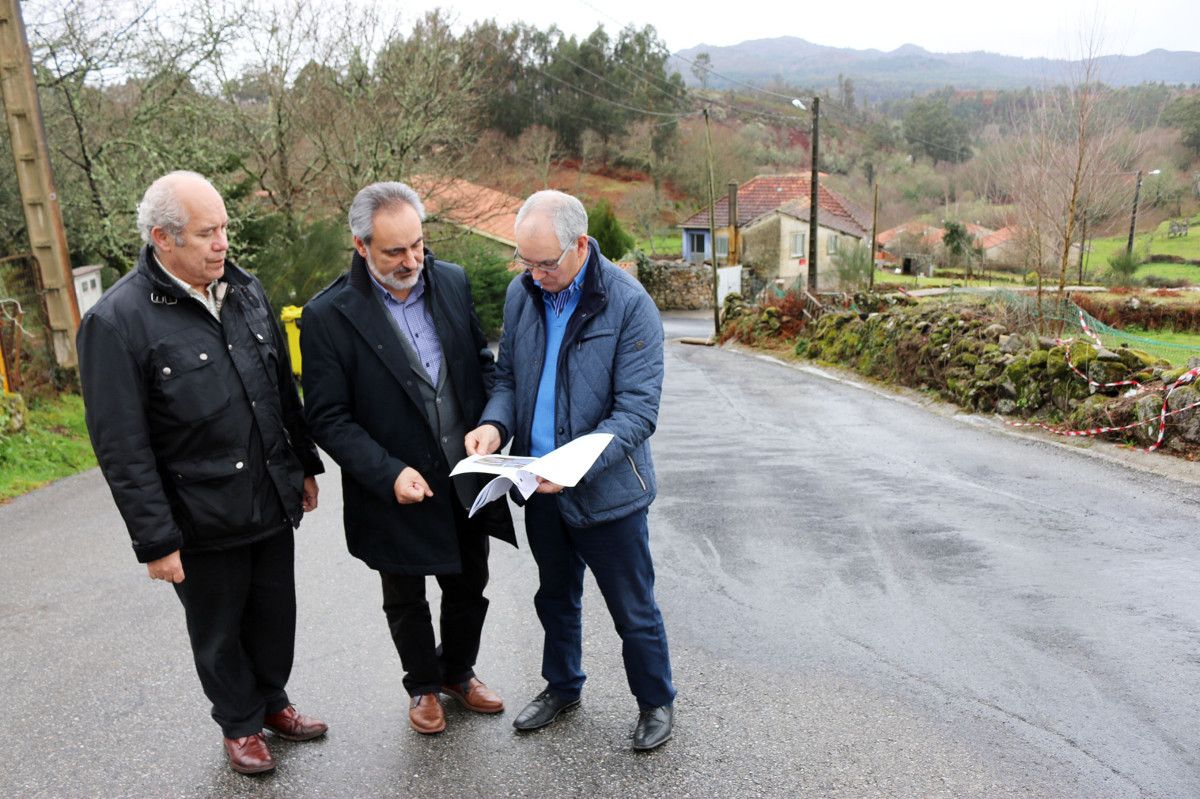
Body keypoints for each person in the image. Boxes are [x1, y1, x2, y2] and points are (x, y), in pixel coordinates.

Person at [77, 171, 327, 776]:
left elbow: (279, 391)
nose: (222, 243)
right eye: (207, 233)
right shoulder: (116, 322)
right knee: (218, 628)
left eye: (224, 229)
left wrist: (303, 465)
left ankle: (272, 703)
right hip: (200, 515)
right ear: (162, 238)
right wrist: (156, 540)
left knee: (274, 615)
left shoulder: (244, 290)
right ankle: (239, 724)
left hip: (269, 493)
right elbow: (121, 445)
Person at [300, 181, 515, 736]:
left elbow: (484, 368)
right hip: (392, 484)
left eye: (418, 244)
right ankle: (422, 685)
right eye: (395, 251)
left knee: (470, 582)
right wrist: (387, 472)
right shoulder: (328, 316)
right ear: (360, 245)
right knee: (405, 595)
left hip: (465, 476)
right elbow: (328, 418)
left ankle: (457, 673)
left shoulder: (450, 281)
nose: (412, 260)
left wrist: (493, 423)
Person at [465, 189, 676, 751]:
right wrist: (493, 425)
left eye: (546, 263)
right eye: (525, 262)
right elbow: (508, 378)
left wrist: (575, 465)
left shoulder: (630, 304)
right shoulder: (522, 295)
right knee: (554, 596)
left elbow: (637, 412)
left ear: (581, 245)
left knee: (632, 608)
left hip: (607, 493)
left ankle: (655, 701)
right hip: (538, 487)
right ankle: (562, 687)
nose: (534, 275)